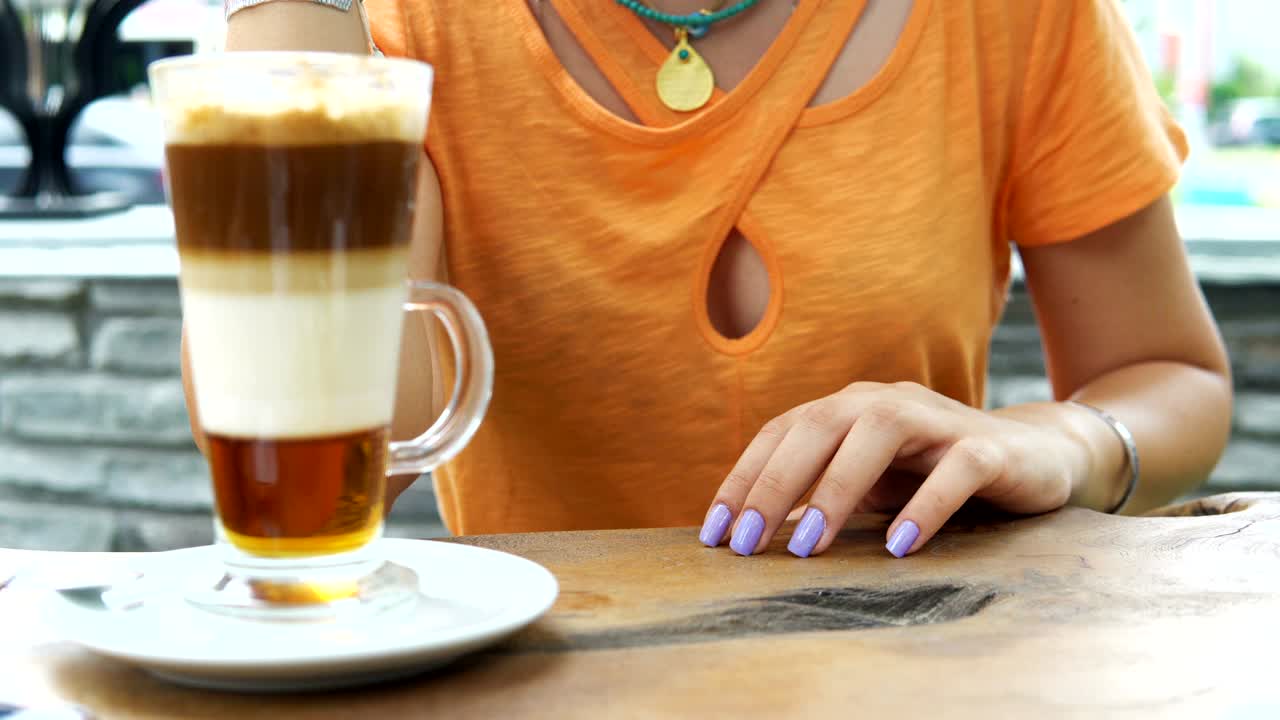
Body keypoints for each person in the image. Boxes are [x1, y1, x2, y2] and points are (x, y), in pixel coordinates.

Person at [188, 0, 1233, 559]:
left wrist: (1055, 441)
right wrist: (291, 19)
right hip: (545, 684)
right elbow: (313, 476)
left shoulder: (1017, 15)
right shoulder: (380, 27)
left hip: (916, 665)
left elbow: (1171, 378)